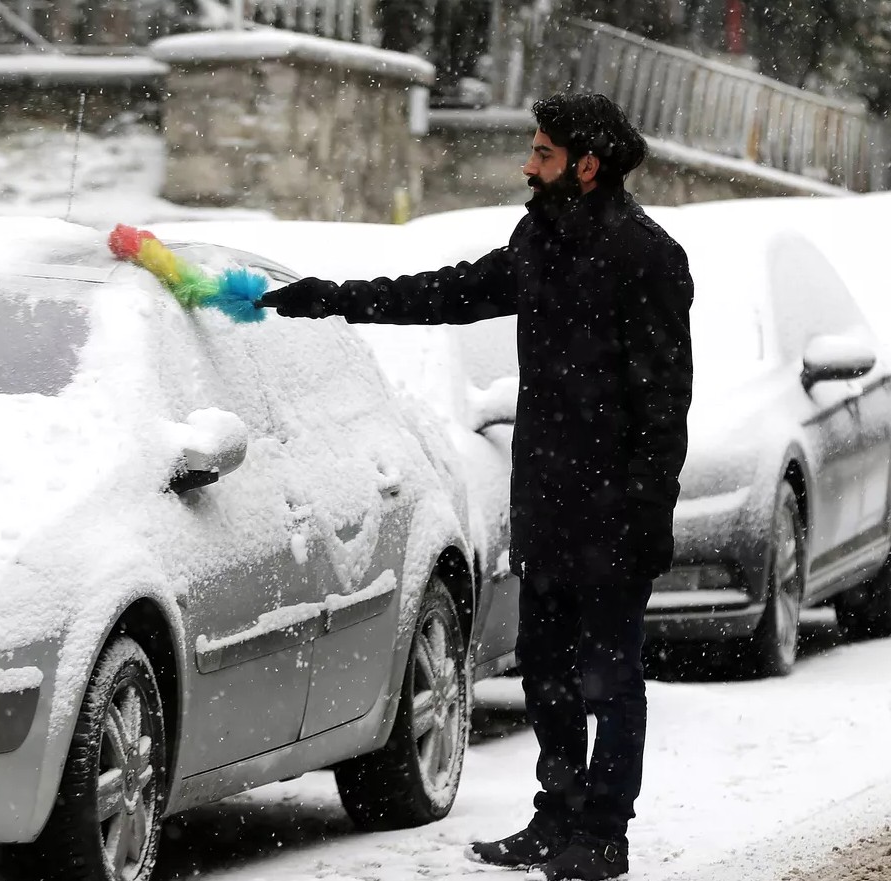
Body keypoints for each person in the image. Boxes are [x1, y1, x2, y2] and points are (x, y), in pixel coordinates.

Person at [259, 92, 693, 881]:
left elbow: (665, 407)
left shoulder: (647, 258)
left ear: (587, 165)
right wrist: (337, 298)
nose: (528, 167)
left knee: (611, 677)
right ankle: (557, 811)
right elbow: (448, 292)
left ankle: (605, 832)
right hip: (548, 500)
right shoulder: (540, 239)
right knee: (546, 667)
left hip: (613, 517)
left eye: (543, 154)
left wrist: (644, 518)